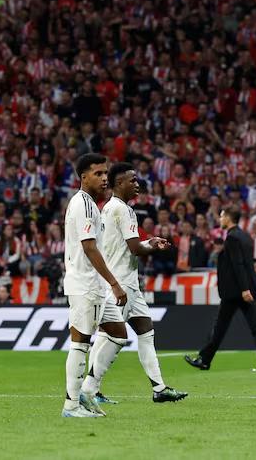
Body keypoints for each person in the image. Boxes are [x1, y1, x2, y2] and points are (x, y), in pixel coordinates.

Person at [80, 163, 187, 405]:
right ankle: (89, 388)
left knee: (145, 330)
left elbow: (125, 244)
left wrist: (149, 240)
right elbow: (135, 248)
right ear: (119, 184)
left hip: (125, 283)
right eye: (132, 180)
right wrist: (153, 245)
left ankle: (159, 388)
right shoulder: (125, 211)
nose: (137, 184)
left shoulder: (107, 208)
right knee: (112, 337)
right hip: (121, 284)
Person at [61, 153, 127, 419]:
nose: (104, 178)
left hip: (94, 285)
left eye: (106, 173)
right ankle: (71, 405)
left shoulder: (88, 204)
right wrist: (115, 283)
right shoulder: (85, 205)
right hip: (86, 285)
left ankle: (88, 391)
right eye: (98, 173)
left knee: (118, 333)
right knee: (80, 343)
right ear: (83, 177)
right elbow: (89, 247)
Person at [185, 207, 256, 372]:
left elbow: (238, 265)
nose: (220, 220)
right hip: (244, 290)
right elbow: (248, 264)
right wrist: (249, 288)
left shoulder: (232, 238)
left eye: (221, 216)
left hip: (235, 292)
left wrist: (244, 289)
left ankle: (204, 360)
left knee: (220, 328)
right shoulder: (246, 236)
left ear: (228, 218)